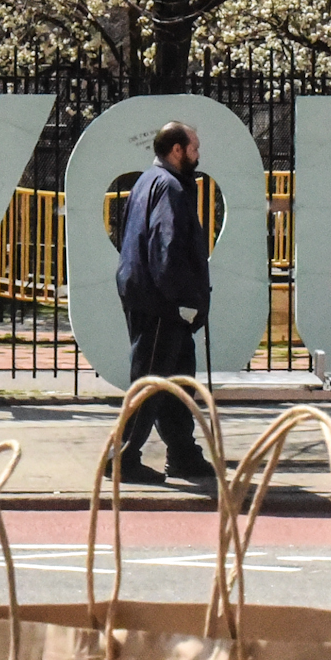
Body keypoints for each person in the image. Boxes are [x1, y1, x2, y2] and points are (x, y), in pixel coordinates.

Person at [114, 120, 216, 485]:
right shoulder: (170, 188)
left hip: (152, 297)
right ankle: (122, 457)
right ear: (177, 150)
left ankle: (183, 454)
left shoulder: (147, 182)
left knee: (177, 381)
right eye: (194, 147)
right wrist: (184, 300)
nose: (198, 154)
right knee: (153, 379)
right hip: (161, 304)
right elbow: (166, 247)